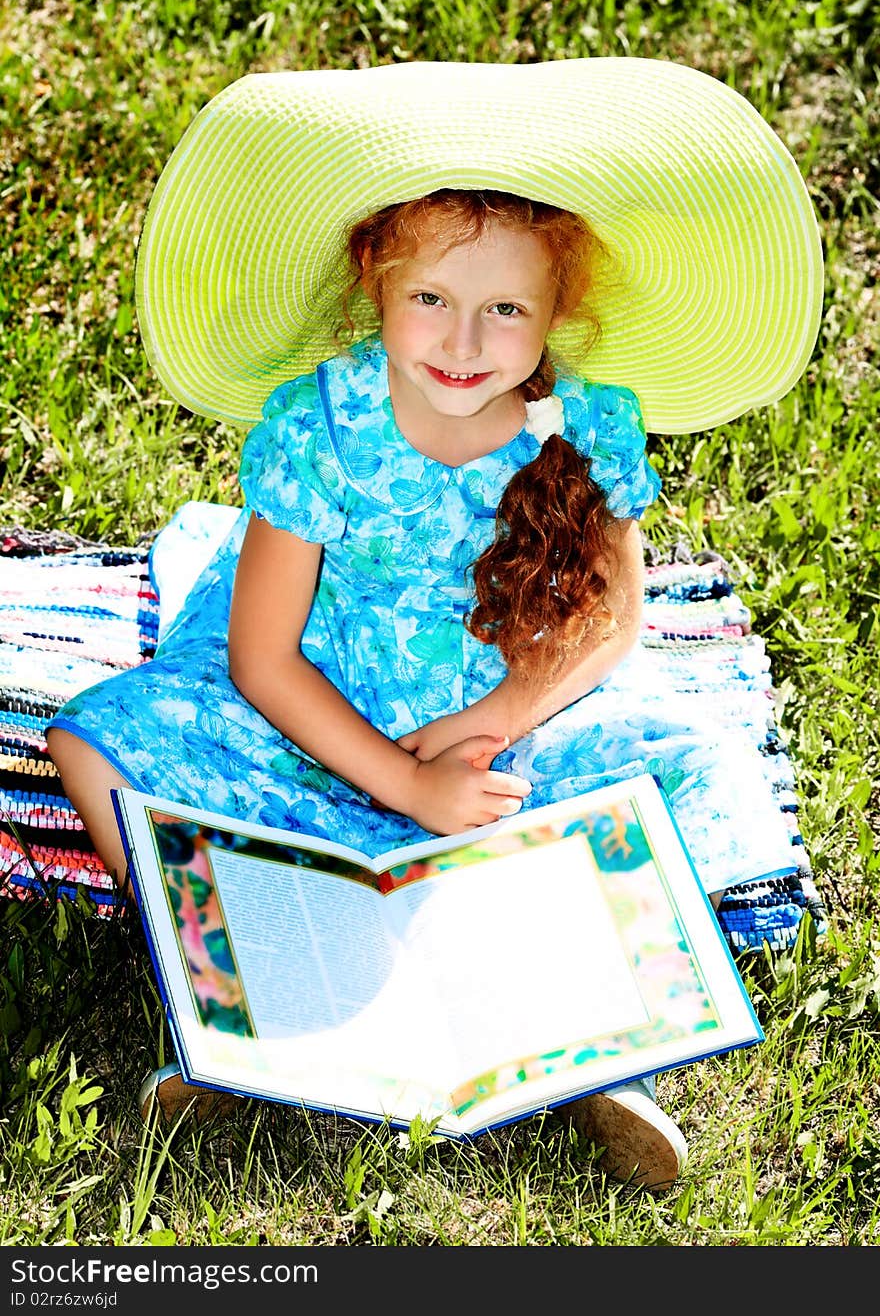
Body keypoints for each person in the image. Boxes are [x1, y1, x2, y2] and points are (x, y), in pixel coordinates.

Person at [45, 58, 822, 1193]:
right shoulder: (323, 426)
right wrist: (406, 787)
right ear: (375, 281)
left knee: (694, 772)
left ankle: (597, 1053)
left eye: (505, 308)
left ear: (559, 310)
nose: (464, 339)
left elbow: (611, 623)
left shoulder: (582, 424)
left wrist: (494, 722)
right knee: (97, 737)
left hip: (515, 732)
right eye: (431, 300)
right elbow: (261, 658)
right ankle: (245, 997)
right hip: (322, 711)